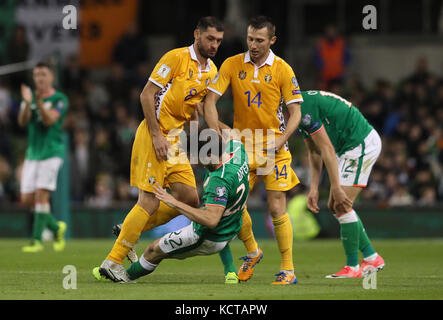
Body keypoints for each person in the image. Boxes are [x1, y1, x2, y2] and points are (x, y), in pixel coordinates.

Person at [95, 17, 226, 280]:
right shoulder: (174, 58)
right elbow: (146, 95)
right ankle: (112, 261)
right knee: (149, 201)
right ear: (197, 35)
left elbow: (194, 109)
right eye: (210, 38)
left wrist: (193, 142)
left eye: (219, 41)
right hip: (155, 135)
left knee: (190, 199)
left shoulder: (211, 71)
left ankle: (129, 230)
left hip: (176, 140)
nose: (214, 45)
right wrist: (156, 135)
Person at [203, 16, 303, 284]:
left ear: (272, 40)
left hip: (273, 147)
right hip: (243, 146)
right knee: (232, 206)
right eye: (250, 39)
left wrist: (281, 141)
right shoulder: (232, 64)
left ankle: (288, 270)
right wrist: (219, 131)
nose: (254, 45)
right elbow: (209, 101)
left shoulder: (282, 69)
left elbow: (296, 113)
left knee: (276, 205)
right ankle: (253, 250)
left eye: (260, 40)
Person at [93, 132, 250, 283]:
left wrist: (172, 201)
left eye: (197, 157)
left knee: (153, 251)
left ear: (209, 155)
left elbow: (211, 220)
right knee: (215, 210)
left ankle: (123, 276)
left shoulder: (219, 181)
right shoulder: (237, 151)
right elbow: (230, 134)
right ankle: (229, 269)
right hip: (232, 227)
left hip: (207, 237)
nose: (195, 161)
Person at [298, 90, 385, 278]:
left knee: (340, 204)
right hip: (347, 147)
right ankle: (371, 256)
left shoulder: (304, 108)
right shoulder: (296, 108)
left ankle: (353, 266)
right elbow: (314, 151)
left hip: (359, 143)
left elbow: (326, 148)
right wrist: (313, 188)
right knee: (335, 206)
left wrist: (336, 187)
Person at [17, 62, 68, 252]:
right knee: (27, 199)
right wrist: (26, 103)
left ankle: (37, 240)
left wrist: (37, 102)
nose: (39, 78)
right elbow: (22, 122)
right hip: (33, 153)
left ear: (51, 77)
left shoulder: (60, 99)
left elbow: (49, 121)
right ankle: (56, 228)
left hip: (52, 152)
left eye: (43, 74)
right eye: (36, 74)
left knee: (41, 195)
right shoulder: (30, 98)